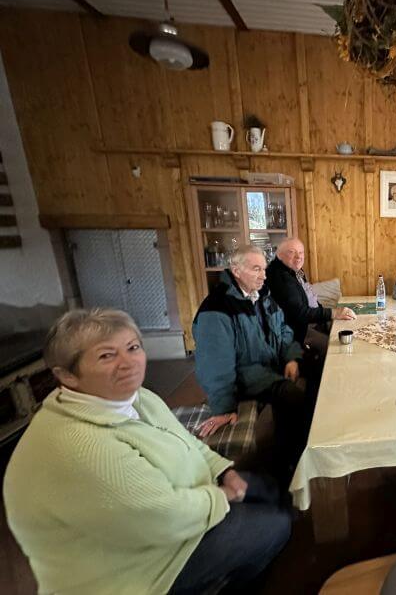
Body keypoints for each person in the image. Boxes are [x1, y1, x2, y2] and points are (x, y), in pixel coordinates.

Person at [2, 309, 291, 594]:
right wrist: (224, 496)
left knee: (269, 488)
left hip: (187, 504)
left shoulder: (138, 397)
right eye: (107, 355)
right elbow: (165, 518)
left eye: (133, 347)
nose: (129, 363)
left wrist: (223, 470)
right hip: (144, 567)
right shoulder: (78, 446)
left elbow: (187, 442)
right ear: (67, 375)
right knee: (275, 526)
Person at [192, 245, 308, 472]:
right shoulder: (216, 309)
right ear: (236, 271)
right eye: (256, 269)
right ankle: (290, 464)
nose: (264, 276)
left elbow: (284, 331)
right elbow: (215, 365)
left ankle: (297, 444)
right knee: (292, 396)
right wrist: (224, 408)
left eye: (264, 269)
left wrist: (292, 359)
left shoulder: (263, 296)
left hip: (270, 367)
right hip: (246, 375)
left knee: (314, 372)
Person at [266, 237, 355, 349]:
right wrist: (334, 313)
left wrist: (327, 318)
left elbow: (310, 299)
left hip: (311, 321)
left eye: (301, 252)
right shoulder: (282, 278)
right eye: (292, 252)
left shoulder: (294, 270)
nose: (298, 257)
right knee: (334, 347)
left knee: (349, 331)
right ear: (279, 255)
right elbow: (300, 313)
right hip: (297, 331)